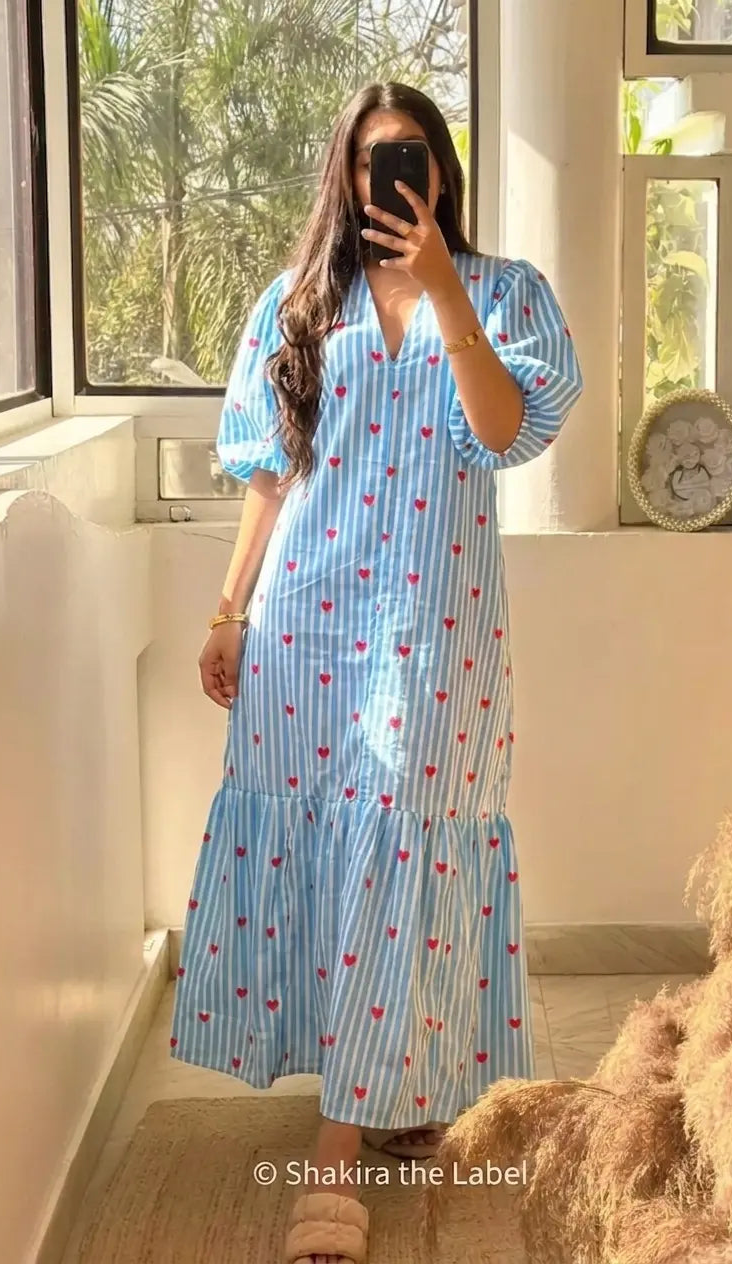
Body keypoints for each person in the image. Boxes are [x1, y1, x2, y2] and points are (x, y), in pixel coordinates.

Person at [170, 80, 583, 1264]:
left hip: (435, 628)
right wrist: (227, 612)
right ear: (342, 176)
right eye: (364, 158)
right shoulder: (298, 302)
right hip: (303, 625)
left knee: (403, 841)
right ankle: (368, 1105)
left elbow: (500, 431)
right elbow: (269, 476)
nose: (384, 176)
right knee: (332, 848)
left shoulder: (504, 293)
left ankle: (339, 1144)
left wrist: (444, 286)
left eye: (405, 154)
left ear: (439, 169)